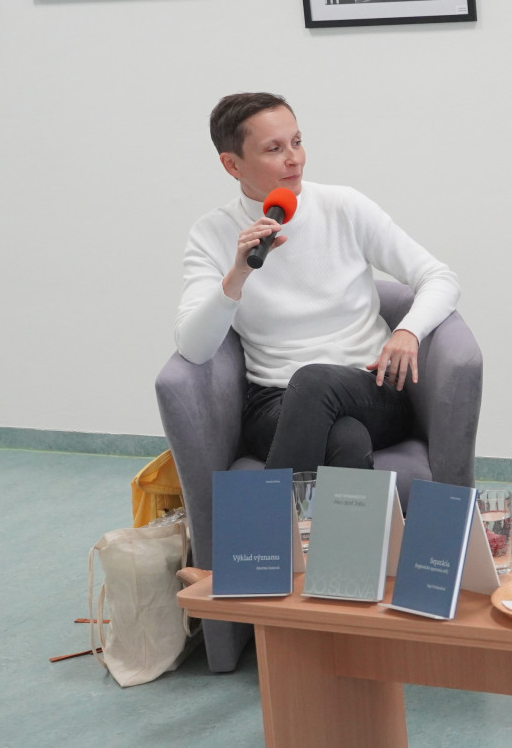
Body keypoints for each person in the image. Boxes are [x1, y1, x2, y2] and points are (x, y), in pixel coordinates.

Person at [174, 92, 460, 478]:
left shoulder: (344, 207)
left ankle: (265, 517)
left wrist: (409, 330)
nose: (294, 158)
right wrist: (237, 274)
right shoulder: (212, 233)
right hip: (273, 402)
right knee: (347, 440)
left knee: (314, 379)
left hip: (370, 389)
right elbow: (194, 348)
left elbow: (439, 277)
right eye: (274, 148)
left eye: (297, 142)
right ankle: (349, 523)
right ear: (231, 164)